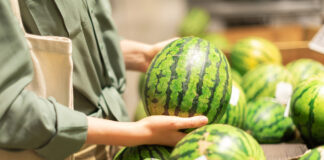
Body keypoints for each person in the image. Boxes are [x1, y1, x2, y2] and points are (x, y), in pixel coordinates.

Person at [0, 0, 208, 160]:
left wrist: (143, 55)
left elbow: (80, 43)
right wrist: (137, 132)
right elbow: (8, 111)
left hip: (108, 146)